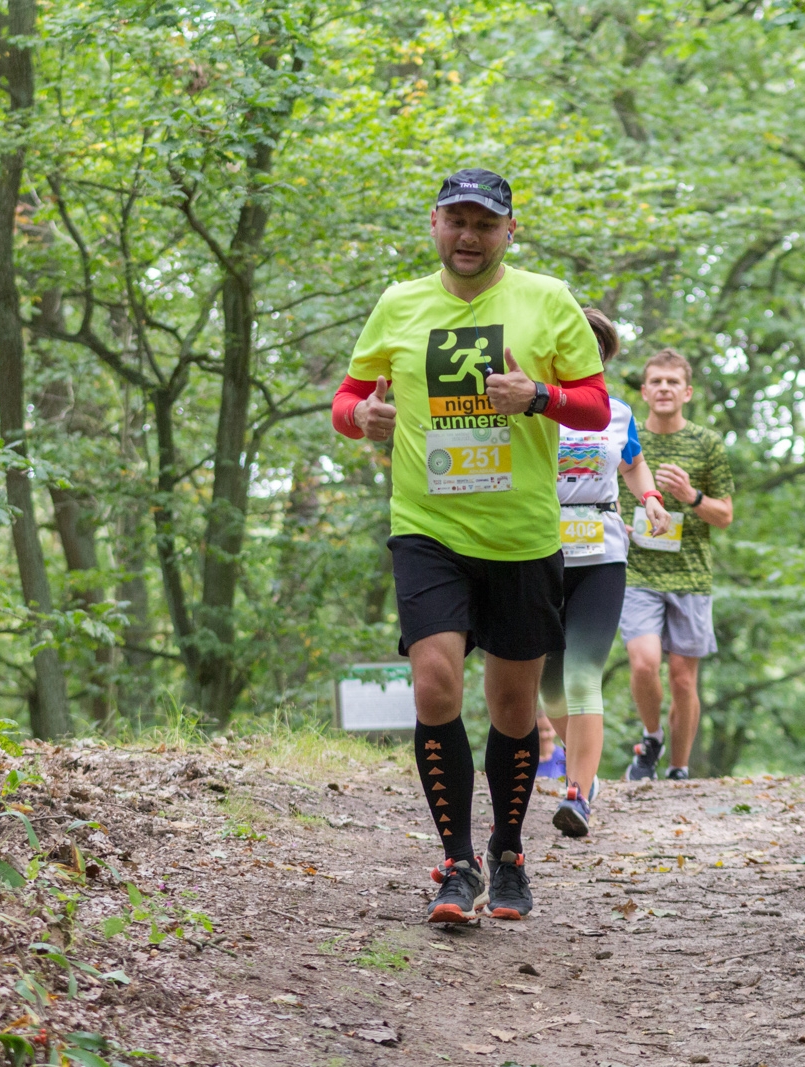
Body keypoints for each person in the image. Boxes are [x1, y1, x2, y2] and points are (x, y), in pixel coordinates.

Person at [331, 168, 609, 922]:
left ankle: (508, 851)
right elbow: (349, 398)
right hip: (428, 526)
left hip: (519, 532)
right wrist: (363, 419)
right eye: (455, 221)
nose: (467, 237)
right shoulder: (399, 304)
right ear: (433, 224)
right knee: (434, 683)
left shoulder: (547, 300)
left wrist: (539, 396)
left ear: (509, 231)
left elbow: (596, 403)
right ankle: (456, 862)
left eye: (484, 224)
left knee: (514, 704)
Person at [540, 308, 671, 837]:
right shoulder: (531, 406)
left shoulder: (617, 412)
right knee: (549, 691)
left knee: (580, 676)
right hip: (537, 553)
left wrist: (652, 498)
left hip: (601, 556)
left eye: (593, 347)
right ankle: (586, 771)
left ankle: (577, 793)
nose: (582, 354)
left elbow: (632, 461)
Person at [619, 350, 734, 781]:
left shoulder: (707, 443)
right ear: (644, 391)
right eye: (656, 382)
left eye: (672, 382)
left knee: (684, 681)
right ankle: (652, 738)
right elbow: (606, 494)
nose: (664, 388)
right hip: (637, 572)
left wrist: (691, 496)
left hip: (691, 575)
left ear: (686, 392)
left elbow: (725, 515)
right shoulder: (626, 437)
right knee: (644, 662)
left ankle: (679, 769)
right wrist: (617, 524)